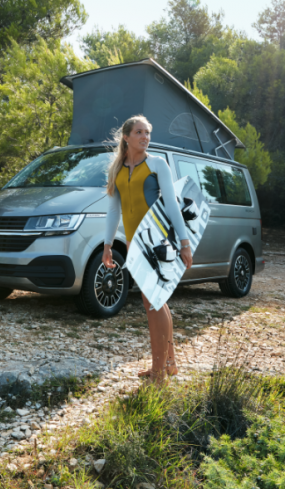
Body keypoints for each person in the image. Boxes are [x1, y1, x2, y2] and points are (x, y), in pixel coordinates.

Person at [102, 115, 193, 385]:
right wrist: (108, 245)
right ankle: (169, 362)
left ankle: (158, 372)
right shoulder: (118, 169)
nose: (145, 137)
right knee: (153, 301)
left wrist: (185, 243)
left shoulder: (156, 164)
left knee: (153, 302)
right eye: (139, 132)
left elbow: (174, 206)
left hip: (156, 242)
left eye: (148, 132)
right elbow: (114, 210)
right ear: (126, 137)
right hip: (133, 244)